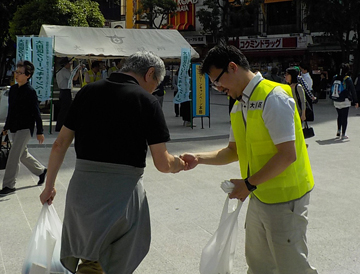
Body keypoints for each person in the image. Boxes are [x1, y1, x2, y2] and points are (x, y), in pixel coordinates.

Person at [39, 51, 186, 274]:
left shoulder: (88, 91)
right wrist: (180, 163)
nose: (155, 89)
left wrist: (49, 186)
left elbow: (59, 144)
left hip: (82, 191)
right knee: (107, 263)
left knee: (86, 256)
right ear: (149, 74)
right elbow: (163, 163)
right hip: (121, 194)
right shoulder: (146, 101)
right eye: (156, 83)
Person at [180, 45, 317, 274]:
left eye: (217, 81)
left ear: (232, 67)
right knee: (258, 264)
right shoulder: (239, 105)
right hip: (259, 196)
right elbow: (233, 151)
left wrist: (248, 184)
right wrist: (198, 157)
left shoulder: (273, 97)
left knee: (292, 266)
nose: (218, 87)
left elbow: (287, 155)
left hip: (286, 198)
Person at [0, 61, 47, 196]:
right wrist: (6, 128)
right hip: (14, 127)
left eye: (20, 73)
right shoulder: (13, 90)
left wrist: (40, 131)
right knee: (22, 154)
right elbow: (11, 111)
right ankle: (41, 171)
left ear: (28, 75)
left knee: (13, 157)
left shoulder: (30, 92)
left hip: (25, 128)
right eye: (16, 72)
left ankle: (9, 185)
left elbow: (36, 112)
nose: (17, 75)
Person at [330, 63, 358, 139]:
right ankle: (343, 134)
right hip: (345, 100)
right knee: (344, 117)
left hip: (336, 100)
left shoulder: (335, 77)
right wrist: (356, 101)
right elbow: (353, 90)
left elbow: (331, 87)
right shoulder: (347, 79)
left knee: (339, 115)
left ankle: (338, 130)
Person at [55, 57, 79, 132]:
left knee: (64, 110)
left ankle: (60, 125)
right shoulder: (64, 71)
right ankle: (60, 126)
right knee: (65, 110)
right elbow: (74, 78)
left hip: (62, 92)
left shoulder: (59, 71)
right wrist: (78, 71)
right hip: (65, 92)